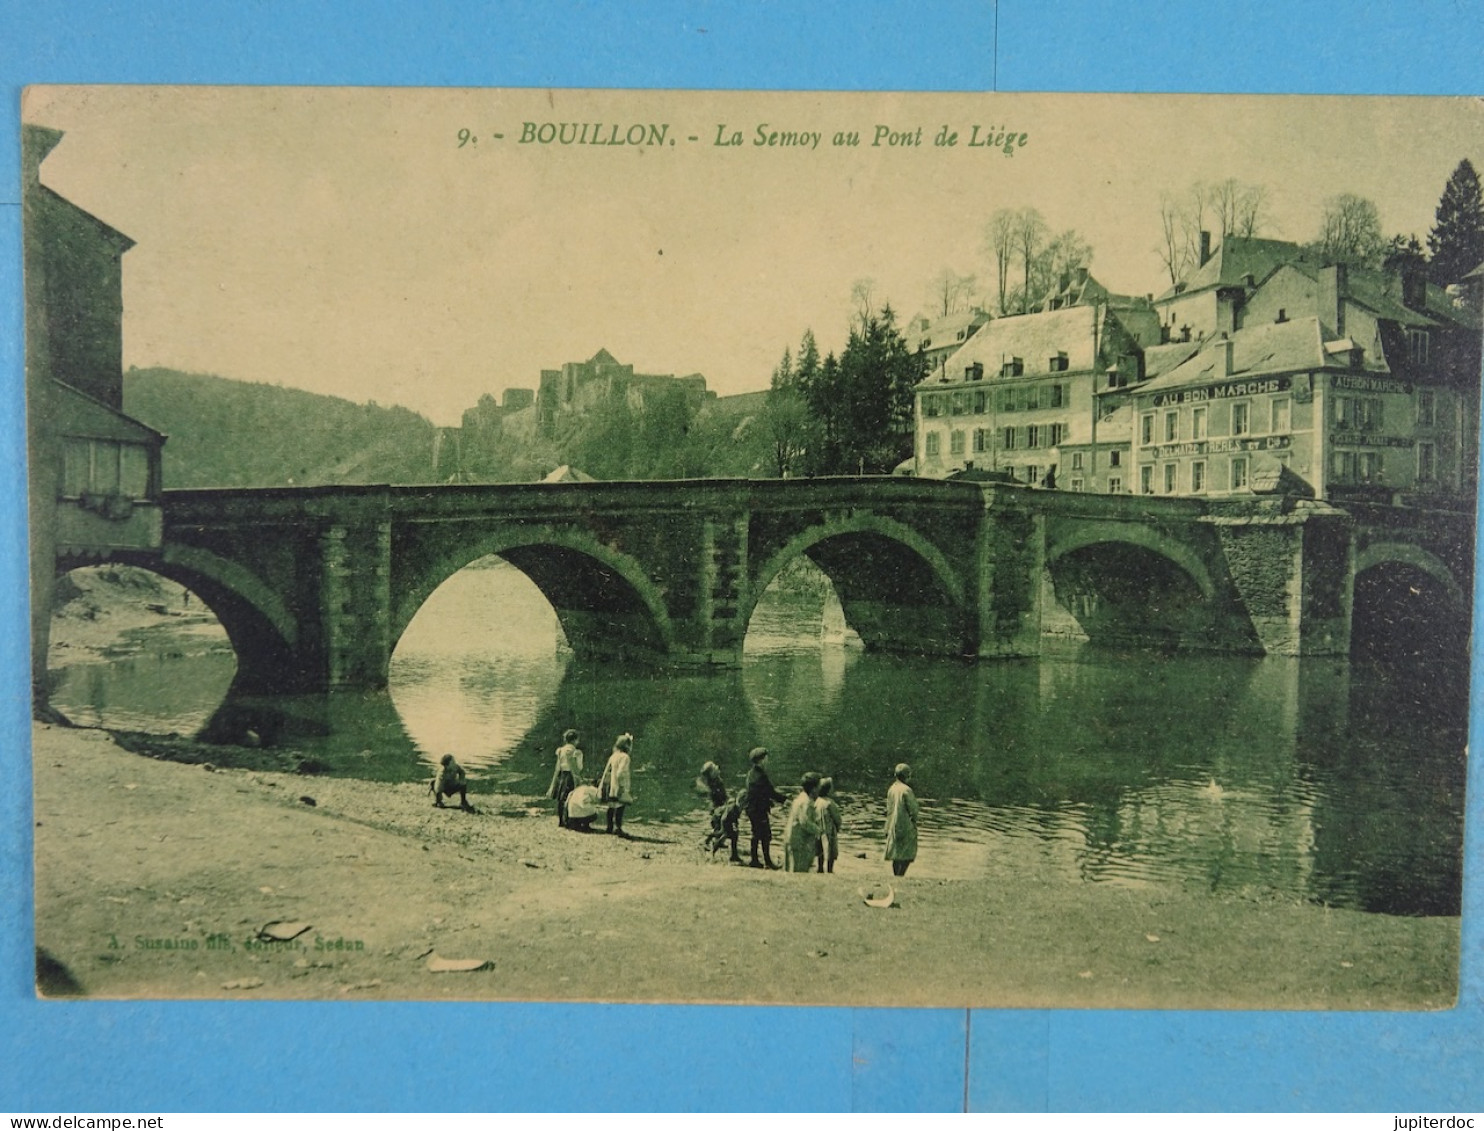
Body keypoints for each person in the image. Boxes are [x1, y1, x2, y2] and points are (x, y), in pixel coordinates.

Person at [743, 747, 786, 869]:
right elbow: (770, 791)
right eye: (766, 758)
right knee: (765, 834)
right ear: (761, 760)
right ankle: (765, 861)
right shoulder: (761, 776)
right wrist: (785, 800)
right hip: (758, 809)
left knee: (757, 833)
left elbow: (761, 792)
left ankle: (755, 860)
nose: (768, 760)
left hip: (752, 808)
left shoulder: (752, 773)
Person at [698, 761, 742, 862]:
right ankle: (707, 842)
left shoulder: (717, 780)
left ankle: (714, 843)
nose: (717, 767)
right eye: (714, 768)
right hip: (718, 809)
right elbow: (719, 798)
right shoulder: (714, 784)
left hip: (719, 808)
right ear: (711, 773)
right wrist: (727, 803)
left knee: (722, 830)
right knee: (723, 830)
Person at [883, 763, 919, 877]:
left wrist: (887, 826)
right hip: (905, 824)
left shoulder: (891, 789)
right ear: (907, 776)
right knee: (907, 853)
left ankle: (896, 875)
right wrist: (914, 820)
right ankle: (901, 874)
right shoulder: (906, 790)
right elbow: (913, 810)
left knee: (896, 852)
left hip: (893, 823)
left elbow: (888, 808)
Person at [782, 772, 823, 872]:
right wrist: (819, 830)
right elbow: (804, 822)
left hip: (791, 838)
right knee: (799, 871)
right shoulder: (806, 802)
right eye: (819, 787)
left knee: (791, 870)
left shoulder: (801, 798)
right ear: (813, 789)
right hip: (799, 842)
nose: (820, 790)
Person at [546, 728, 584, 827]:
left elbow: (557, 767)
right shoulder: (574, 751)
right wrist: (578, 778)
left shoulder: (561, 750)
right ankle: (568, 820)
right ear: (575, 740)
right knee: (570, 797)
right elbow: (574, 766)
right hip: (570, 775)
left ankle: (561, 821)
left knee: (561, 798)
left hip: (562, 775)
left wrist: (553, 783)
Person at [599, 733, 635, 835]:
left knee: (611, 806)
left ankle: (609, 826)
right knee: (620, 806)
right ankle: (618, 828)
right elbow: (620, 772)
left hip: (611, 784)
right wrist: (622, 786)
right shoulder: (625, 757)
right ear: (627, 746)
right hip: (618, 784)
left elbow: (607, 771)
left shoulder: (613, 756)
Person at [814, 777, 842, 874]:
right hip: (829, 831)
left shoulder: (816, 802)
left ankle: (820, 868)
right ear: (829, 790)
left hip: (818, 830)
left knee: (820, 851)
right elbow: (837, 817)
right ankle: (830, 869)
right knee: (830, 851)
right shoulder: (829, 803)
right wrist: (838, 826)